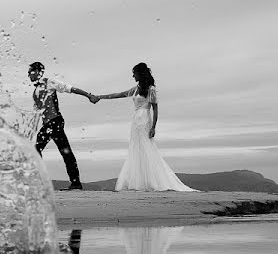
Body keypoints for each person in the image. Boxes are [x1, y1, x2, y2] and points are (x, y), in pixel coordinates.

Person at [89, 63, 196, 192]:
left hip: (144, 119)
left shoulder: (151, 89)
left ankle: (152, 180)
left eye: (134, 73)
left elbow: (155, 109)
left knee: (146, 147)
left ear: (140, 74)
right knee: (136, 148)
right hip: (135, 120)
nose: (133, 75)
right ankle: (141, 181)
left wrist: (154, 127)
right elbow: (118, 94)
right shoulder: (135, 89)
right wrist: (99, 97)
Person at [28, 61, 93, 190]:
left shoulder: (49, 82)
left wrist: (88, 95)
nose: (28, 74)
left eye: (30, 71)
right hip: (49, 123)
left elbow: (69, 88)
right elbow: (37, 113)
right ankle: (75, 183)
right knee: (65, 151)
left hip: (55, 122)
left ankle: (39, 183)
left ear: (38, 72)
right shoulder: (35, 92)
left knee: (38, 150)